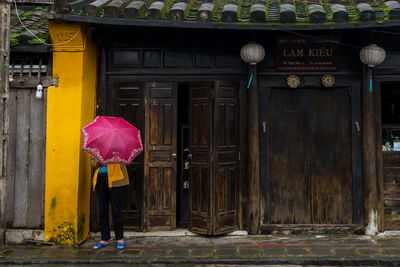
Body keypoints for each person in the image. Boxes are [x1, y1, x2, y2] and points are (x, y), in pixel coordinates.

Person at [90, 156, 129, 250]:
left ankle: (120, 239)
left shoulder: (119, 149)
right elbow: (92, 164)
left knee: (116, 210)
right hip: (101, 180)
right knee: (103, 211)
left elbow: (126, 161)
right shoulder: (97, 149)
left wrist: (114, 156)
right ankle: (104, 239)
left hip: (116, 181)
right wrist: (101, 158)